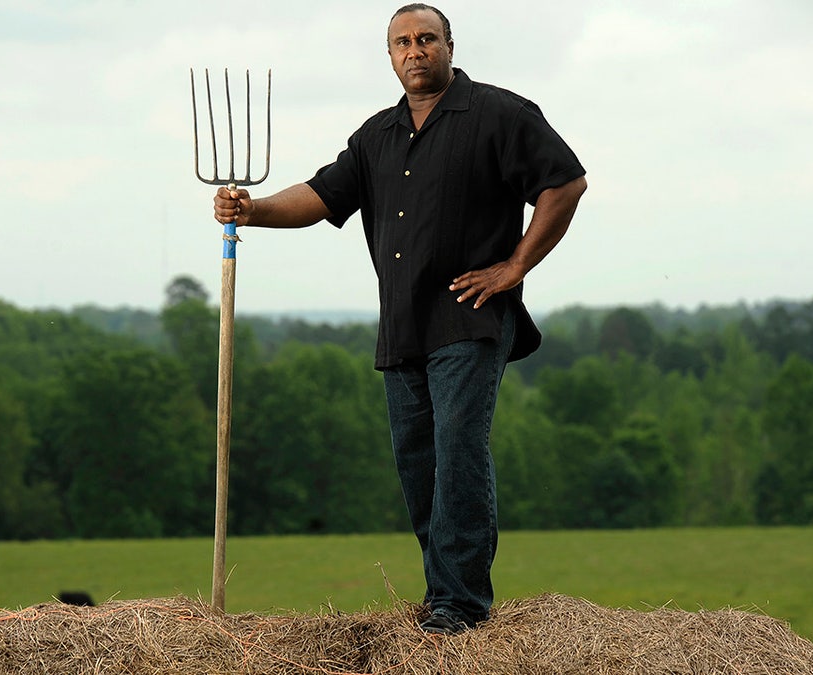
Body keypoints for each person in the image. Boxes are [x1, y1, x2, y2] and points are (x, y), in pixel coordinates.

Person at [211, 3, 587, 634]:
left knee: (459, 455)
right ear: (390, 56)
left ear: (448, 46)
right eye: (402, 43)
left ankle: (459, 606)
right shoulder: (376, 136)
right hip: (402, 326)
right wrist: (251, 210)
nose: (415, 50)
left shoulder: (500, 114)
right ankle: (443, 591)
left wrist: (514, 268)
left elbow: (565, 183)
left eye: (426, 39)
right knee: (419, 464)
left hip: (470, 320)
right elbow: (322, 195)